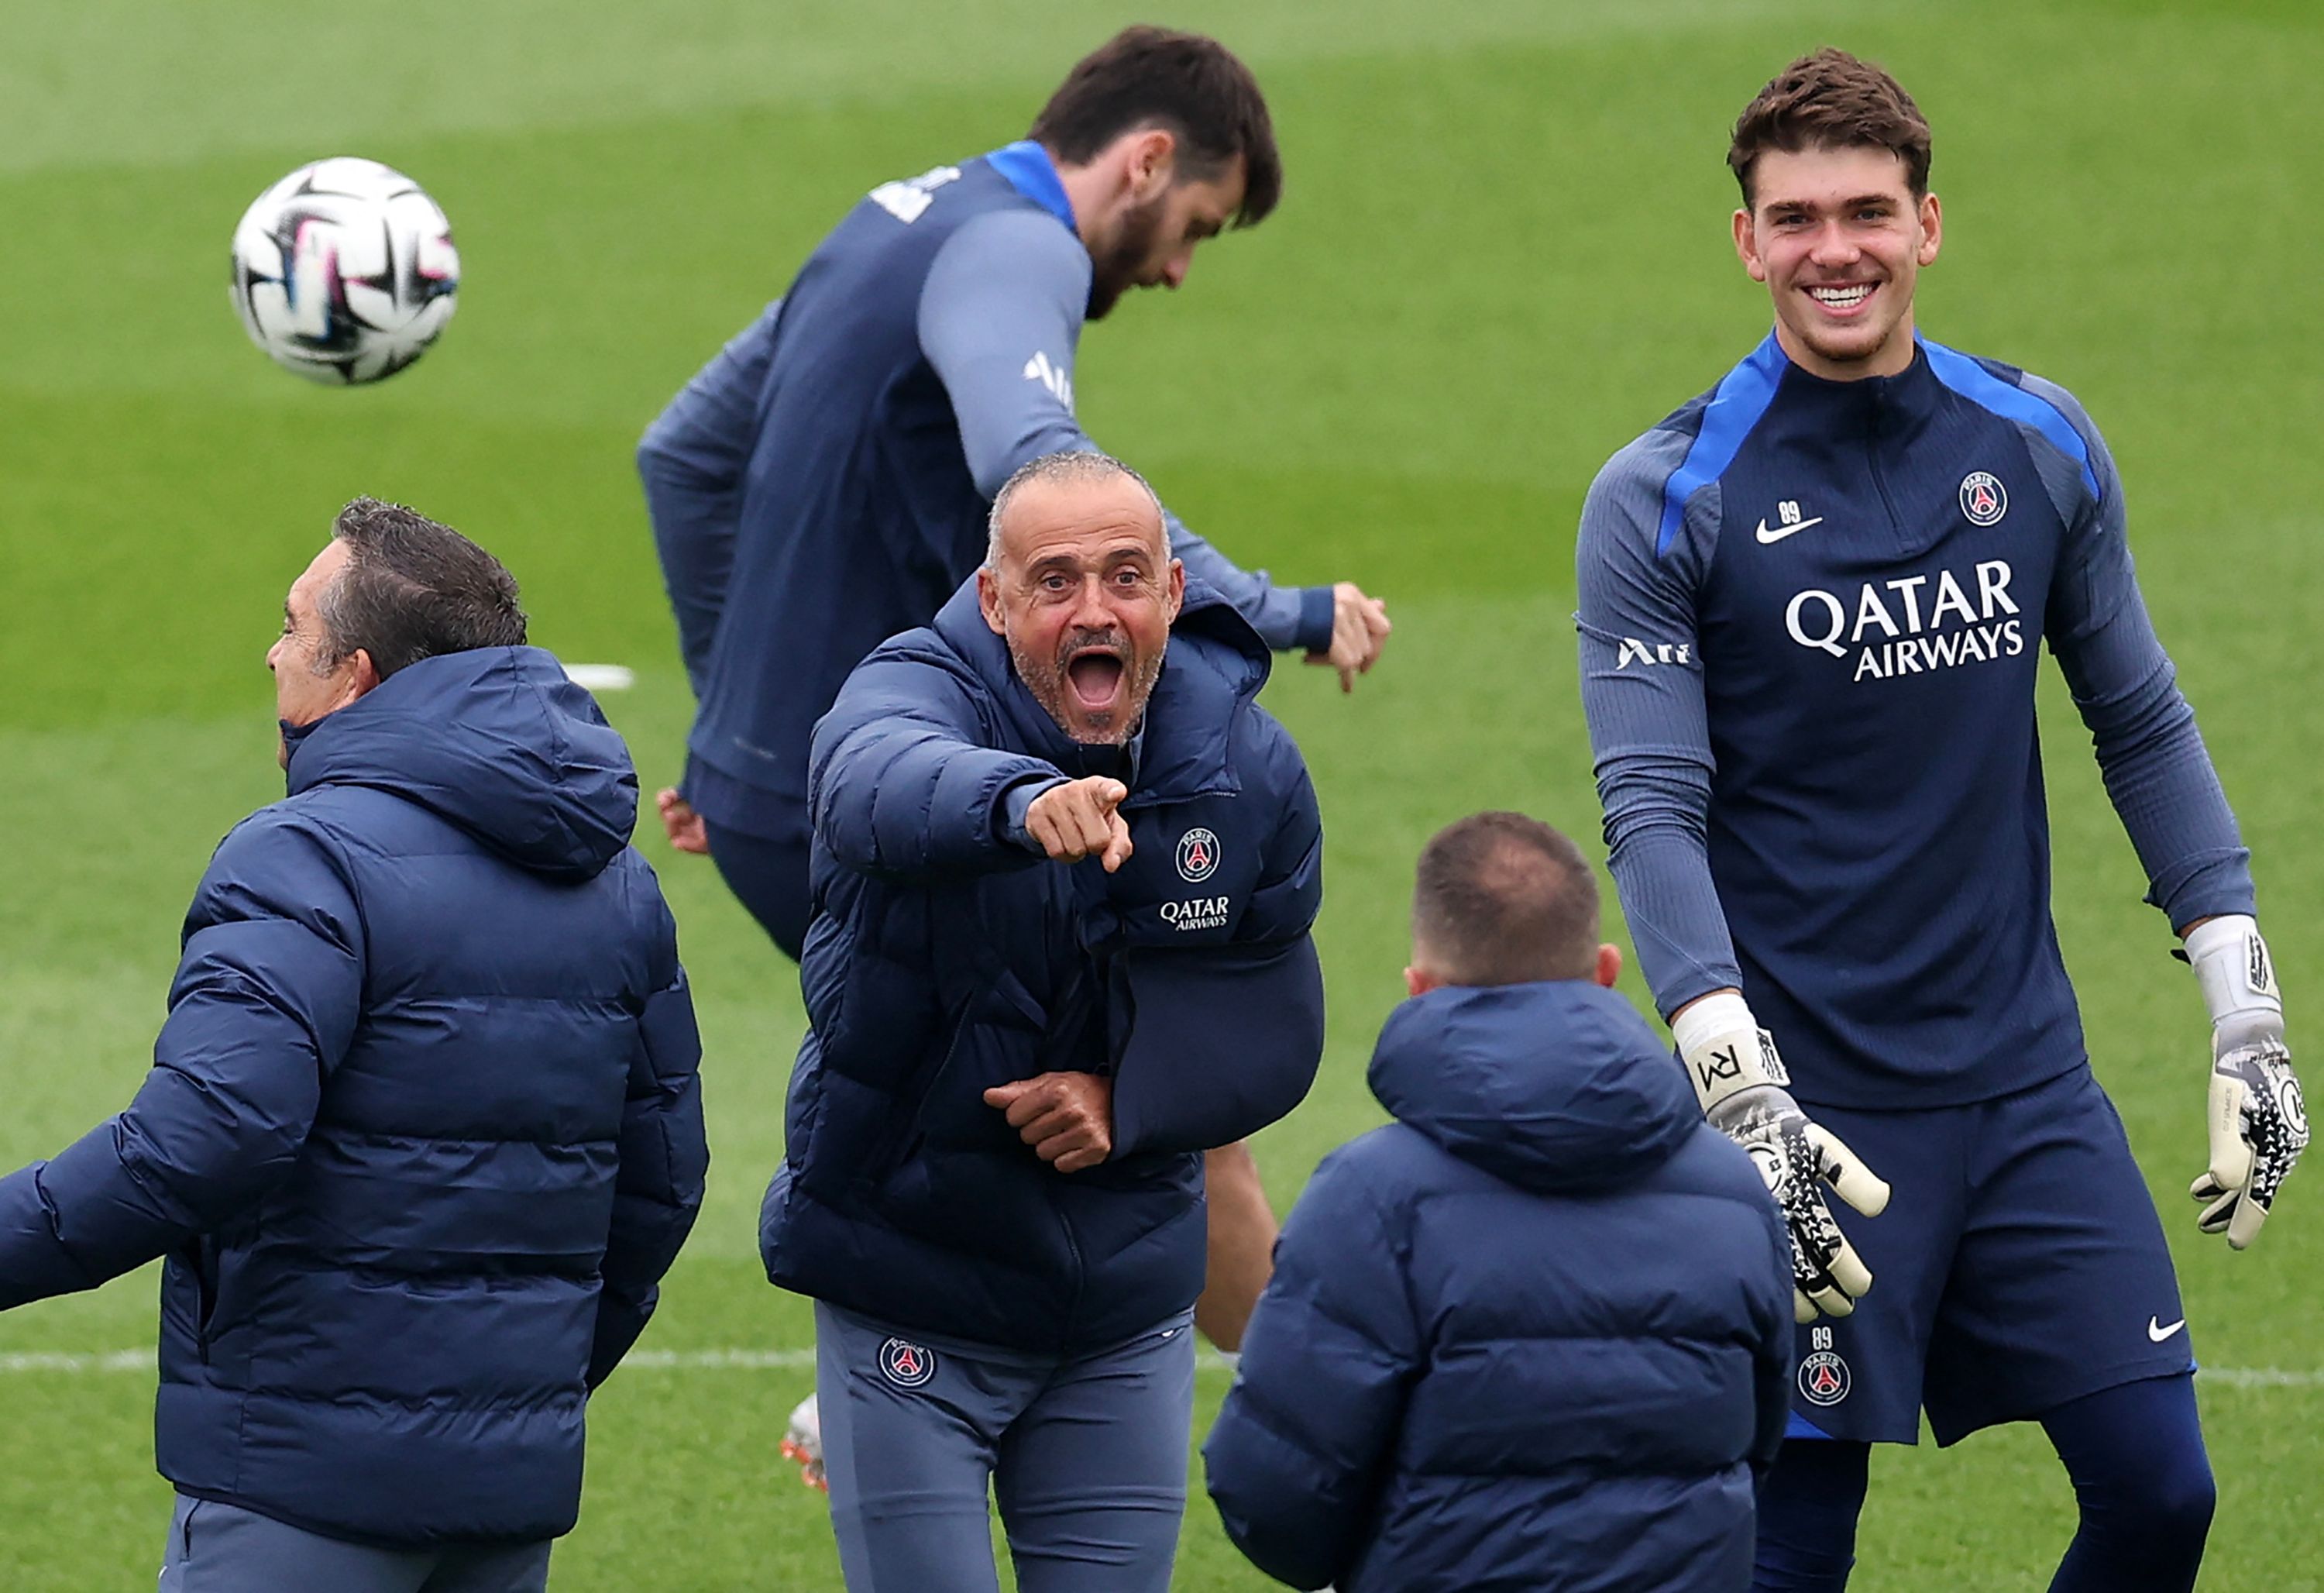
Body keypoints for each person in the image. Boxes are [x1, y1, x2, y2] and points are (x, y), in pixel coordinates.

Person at [1575, 49, 2305, 1593]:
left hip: (2027, 1086)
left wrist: (2245, 1005)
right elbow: (1651, 804)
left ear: (1927, 225)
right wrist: (1736, 1088)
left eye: (1866, 211)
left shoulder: (2037, 442)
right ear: (1747, 242)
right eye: (1795, 217)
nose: (1833, 247)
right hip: (1806, 1109)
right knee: (1789, 1541)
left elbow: (2143, 717)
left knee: (2161, 1491)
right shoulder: (1662, 495)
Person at [0, 500, 709, 1592]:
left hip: (298, 1489)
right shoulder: (620, 886)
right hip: (502, 1506)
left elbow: (206, 1137)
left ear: (359, 677)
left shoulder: (302, 857)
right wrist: (521, 1388)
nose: (273, 654)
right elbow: (665, 1184)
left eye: (294, 627)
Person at [758, 450, 1327, 1592]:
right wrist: (1015, 804)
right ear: (994, 601)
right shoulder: (912, 690)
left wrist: (1136, 1095)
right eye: (1055, 582)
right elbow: (870, 779)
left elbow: (1273, 1009)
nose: (1093, 610)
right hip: (912, 1286)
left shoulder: (1244, 766)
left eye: (1124, 577)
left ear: (1172, 592)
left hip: (1125, 1309)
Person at [1203, 811, 1792, 1592]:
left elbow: (1274, 1492)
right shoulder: (1734, 1193)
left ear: (1420, 990)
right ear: (1606, 971)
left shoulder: (1372, 1197)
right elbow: (1756, 1440)